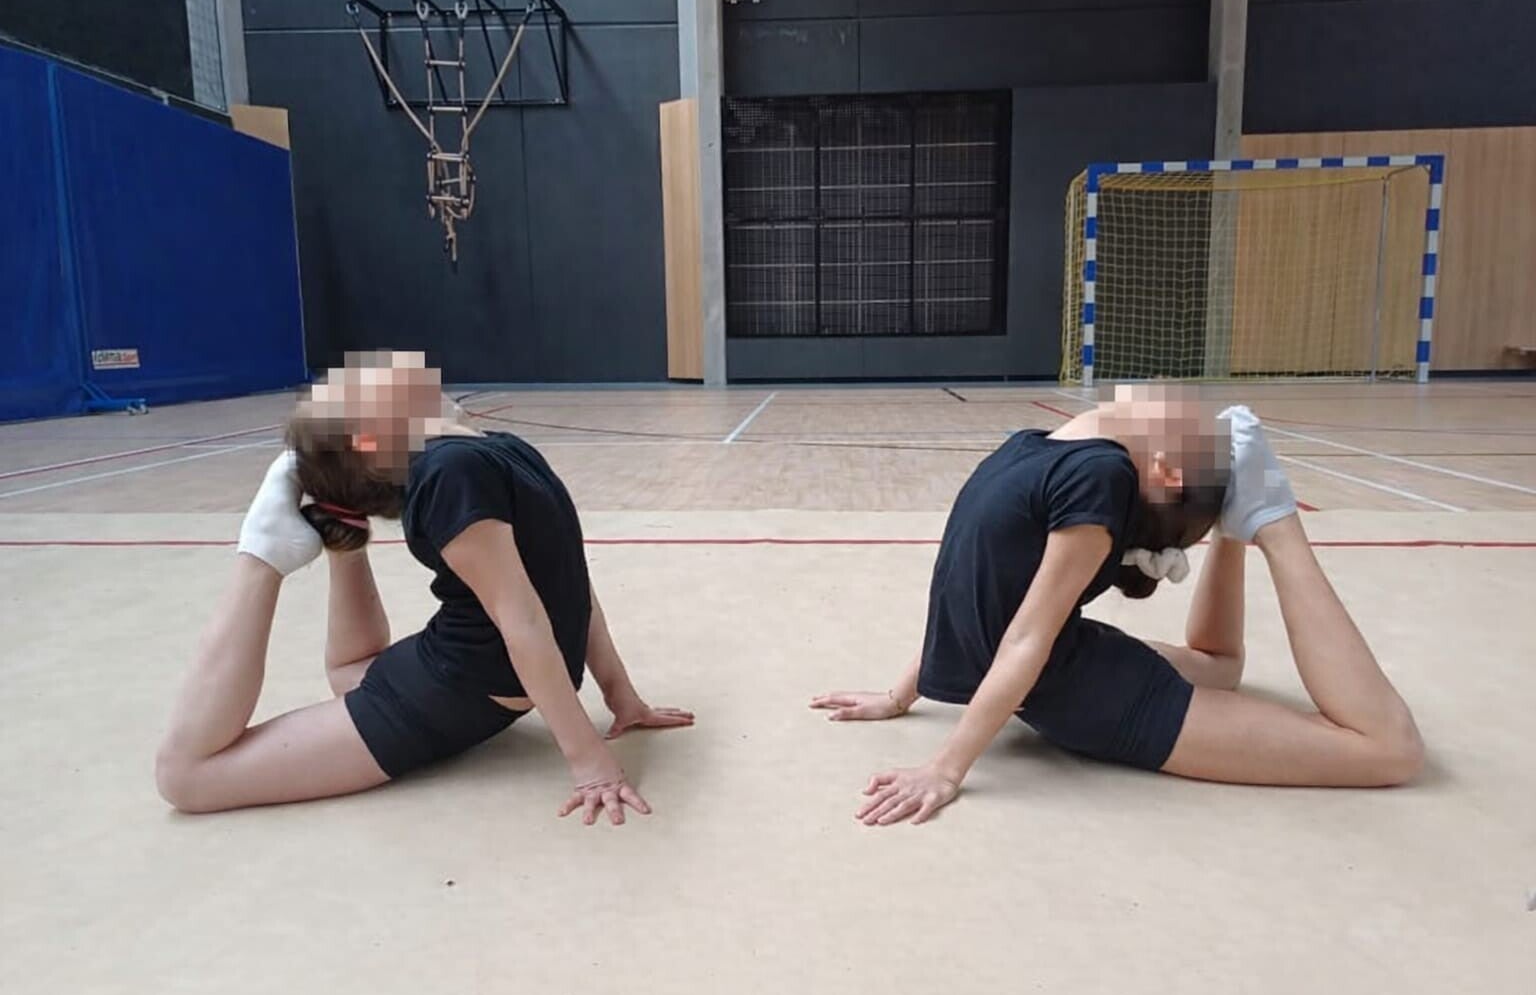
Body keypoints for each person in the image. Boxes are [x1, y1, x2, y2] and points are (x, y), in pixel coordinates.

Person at [811, 389, 1424, 826]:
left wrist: (938, 756)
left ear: (1163, 471)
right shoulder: (1067, 461)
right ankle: (1257, 520)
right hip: (1086, 691)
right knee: (1374, 742)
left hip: (1080, 672)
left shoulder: (1071, 464)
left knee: (1361, 736)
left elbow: (1011, 627)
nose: (1172, 400)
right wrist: (908, 709)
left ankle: (1260, 524)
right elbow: (981, 601)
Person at [155, 351, 692, 821]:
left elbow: (568, 582)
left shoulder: (499, 449)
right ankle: (262, 555)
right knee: (185, 776)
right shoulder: (450, 472)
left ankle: (337, 534)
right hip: (446, 689)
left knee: (348, 672)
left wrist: (621, 696)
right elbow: (522, 620)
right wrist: (589, 762)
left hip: (459, 681)